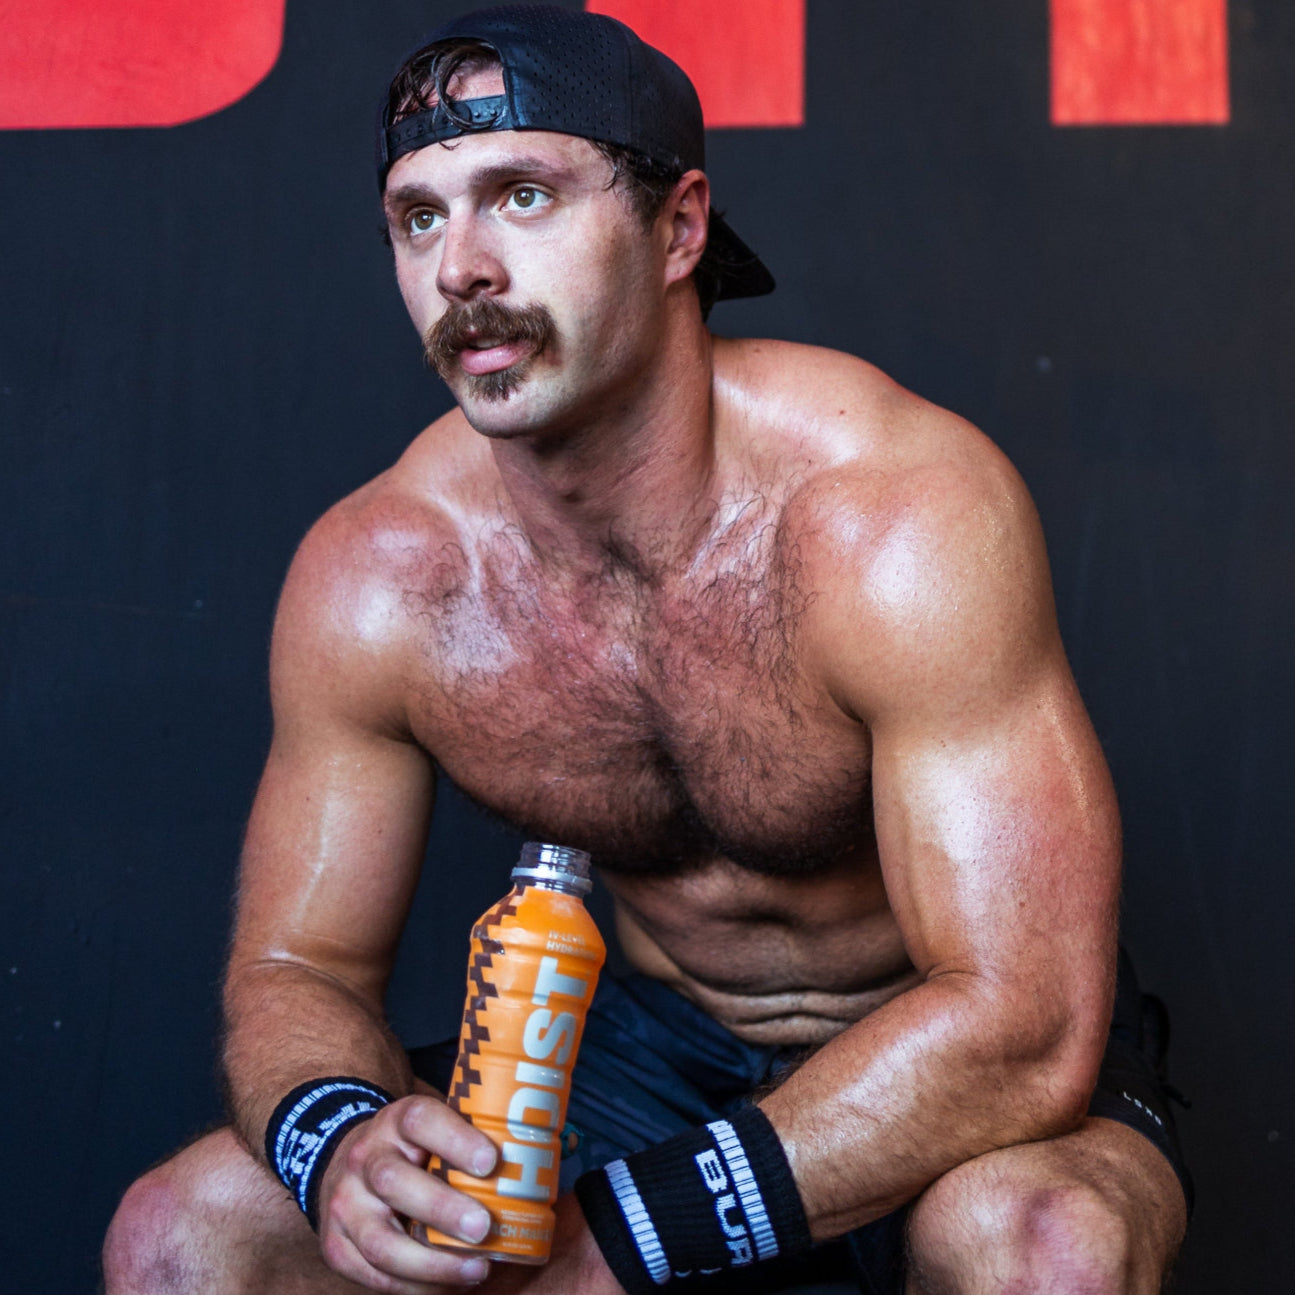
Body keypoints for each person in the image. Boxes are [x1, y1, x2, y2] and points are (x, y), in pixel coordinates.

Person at [103, 7, 1191, 1293]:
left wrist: (623, 1236)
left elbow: (1023, 1024)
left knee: (1044, 1247)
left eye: (519, 195)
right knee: (184, 1234)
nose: (461, 266)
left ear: (678, 228)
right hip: (645, 1056)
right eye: (418, 217)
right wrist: (337, 1140)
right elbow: (300, 966)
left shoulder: (889, 515)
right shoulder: (382, 579)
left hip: (951, 1072)